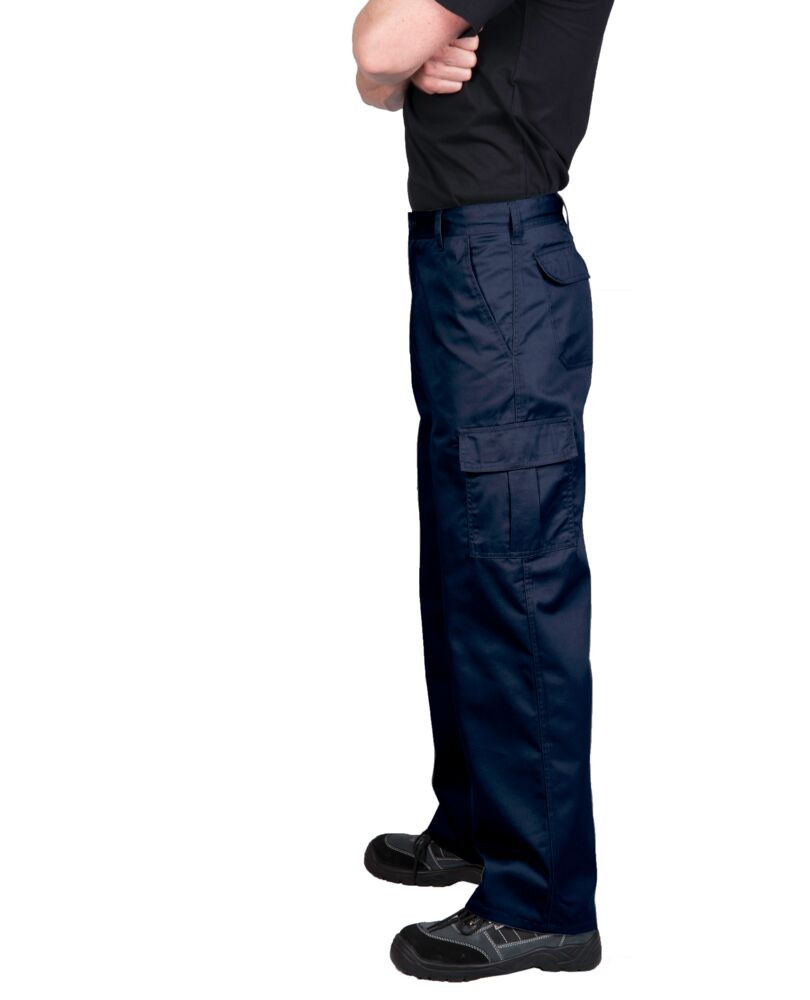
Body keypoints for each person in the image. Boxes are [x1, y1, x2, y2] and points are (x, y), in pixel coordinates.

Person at [352, 0, 614, 981]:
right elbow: (380, 76)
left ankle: (542, 902)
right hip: (461, 256)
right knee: (463, 563)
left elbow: (376, 44)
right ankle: (475, 826)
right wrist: (394, 66)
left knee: (514, 580)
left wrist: (393, 58)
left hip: (499, 268)